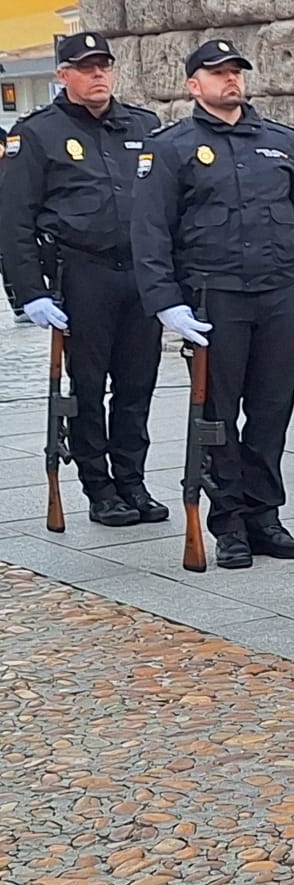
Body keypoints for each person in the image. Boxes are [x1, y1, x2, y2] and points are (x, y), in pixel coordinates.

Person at [130, 39, 294, 568]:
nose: (230, 81)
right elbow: (150, 233)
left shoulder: (282, 141)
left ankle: (266, 516)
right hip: (215, 296)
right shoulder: (171, 147)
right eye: (217, 74)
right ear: (194, 85)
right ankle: (229, 525)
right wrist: (166, 304)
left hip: (278, 293)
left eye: (236, 71)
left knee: (271, 411)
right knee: (216, 417)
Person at [0, 33, 165, 527]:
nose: (97, 75)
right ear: (62, 75)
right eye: (85, 67)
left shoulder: (144, 125)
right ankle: (100, 486)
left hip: (138, 274)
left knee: (137, 385)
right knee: (88, 388)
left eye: (104, 66)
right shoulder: (36, 135)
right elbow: (13, 219)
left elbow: (163, 206)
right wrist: (30, 293)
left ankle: (132, 480)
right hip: (81, 274)